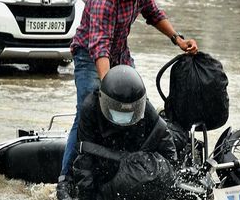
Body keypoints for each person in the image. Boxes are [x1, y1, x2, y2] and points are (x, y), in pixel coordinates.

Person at [57, 0, 198, 198]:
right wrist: (108, 86)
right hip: (90, 57)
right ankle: (66, 179)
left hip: (120, 53)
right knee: (87, 114)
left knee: (138, 103)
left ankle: (128, 164)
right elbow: (98, 44)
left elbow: (153, 13)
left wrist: (178, 39)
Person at [73, 65, 177, 200]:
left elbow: (166, 144)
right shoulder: (91, 108)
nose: (124, 120)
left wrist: (168, 179)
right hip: (105, 165)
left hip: (135, 165)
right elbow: (84, 160)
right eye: (119, 112)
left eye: (130, 112)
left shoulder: (146, 109)